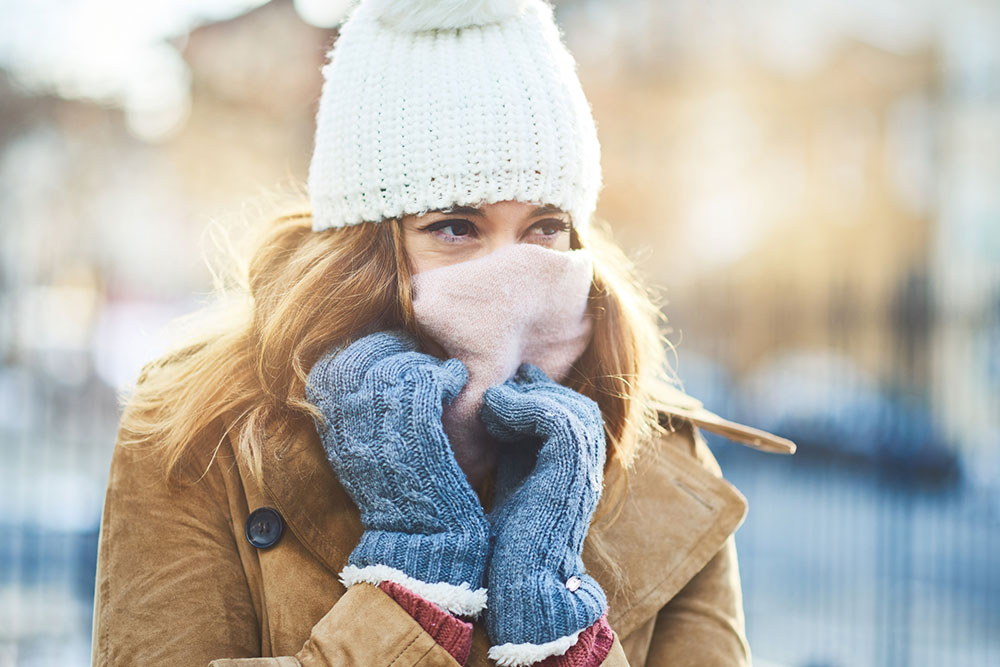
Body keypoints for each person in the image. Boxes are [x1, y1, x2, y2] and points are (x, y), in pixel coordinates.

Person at [90, 1, 796, 665]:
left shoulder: (664, 461)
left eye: (544, 227)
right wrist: (413, 593)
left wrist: (558, 631)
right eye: (455, 227)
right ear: (362, 249)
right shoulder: (200, 431)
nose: (512, 275)